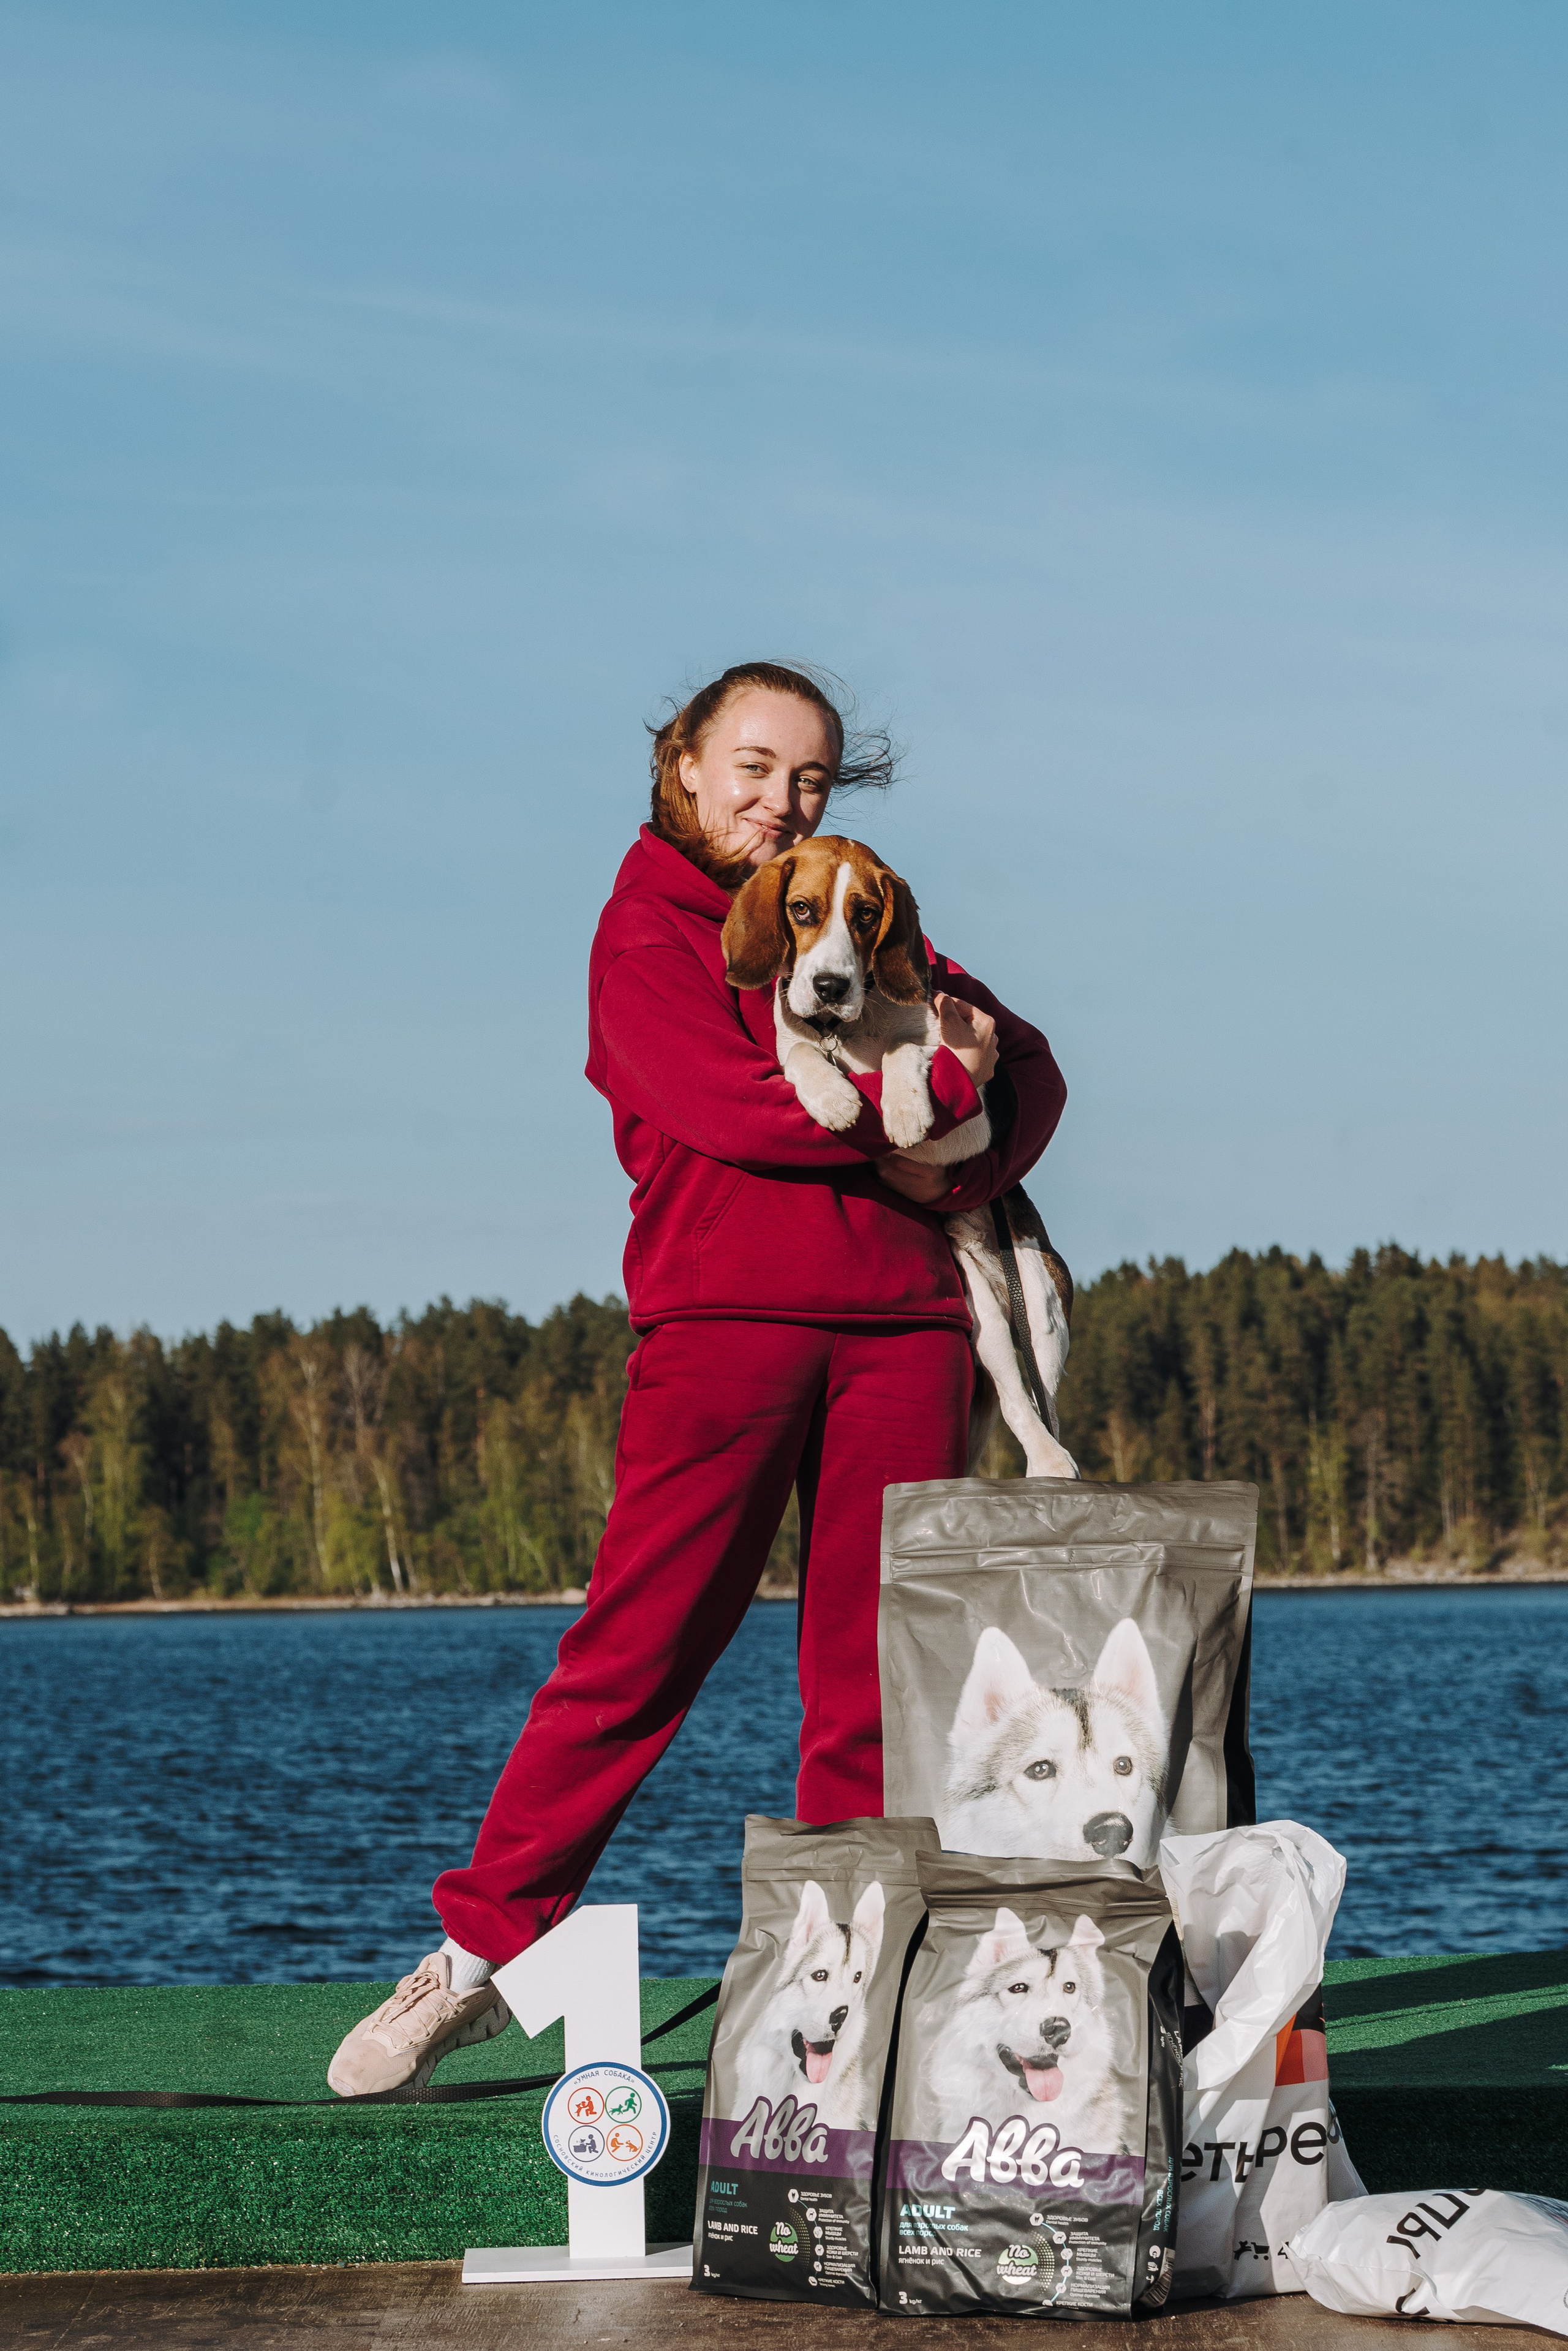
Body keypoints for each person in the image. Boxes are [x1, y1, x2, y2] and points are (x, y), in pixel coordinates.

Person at [328, 662, 1066, 2094]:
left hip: (907, 1332)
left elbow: (1024, 1063)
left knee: (871, 1679)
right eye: (752, 766)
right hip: (723, 1323)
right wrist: (926, 1121)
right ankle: (477, 1956)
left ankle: (855, 1990)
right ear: (682, 761)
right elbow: (740, 1110)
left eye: (807, 777)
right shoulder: (647, 929)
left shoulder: (851, 908)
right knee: (634, 1651)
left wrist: (968, 1105)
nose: (778, 799)